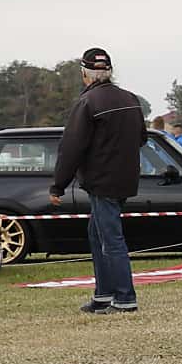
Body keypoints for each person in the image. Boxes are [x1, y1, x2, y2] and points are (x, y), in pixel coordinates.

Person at [48, 47, 149, 312]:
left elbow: (71, 147)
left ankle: (125, 298)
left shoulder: (87, 103)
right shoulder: (131, 99)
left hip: (101, 181)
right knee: (97, 234)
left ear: (86, 74)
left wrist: (58, 184)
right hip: (126, 179)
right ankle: (103, 295)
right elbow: (142, 138)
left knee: (110, 238)